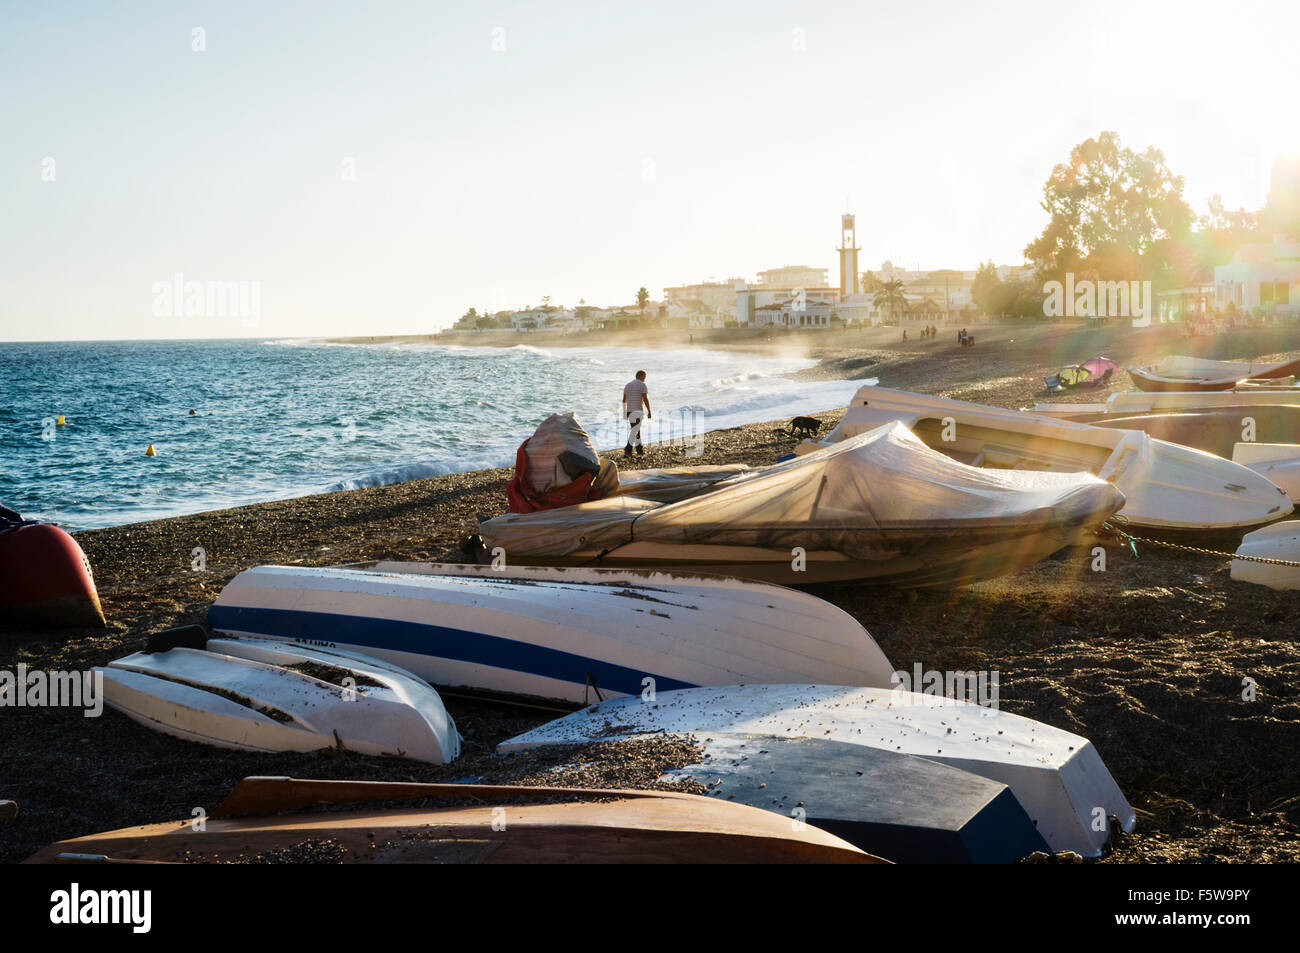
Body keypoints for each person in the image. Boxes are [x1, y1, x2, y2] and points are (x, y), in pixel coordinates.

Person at [622, 370, 651, 457]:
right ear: (641, 376)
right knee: (635, 430)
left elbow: (624, 400)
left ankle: (639, 451)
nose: (644, 379)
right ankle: (628, 449)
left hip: (630, 411)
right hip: (638, 410)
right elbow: (645, 399)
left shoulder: (627, 385)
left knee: (635, 430)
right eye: (644, 377)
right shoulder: (642, 385)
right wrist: (649, 411)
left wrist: (624, 412)